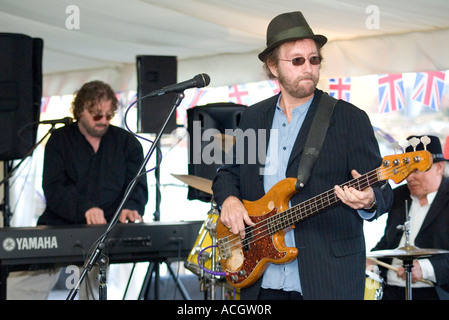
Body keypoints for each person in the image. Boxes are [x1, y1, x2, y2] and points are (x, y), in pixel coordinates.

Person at [212, 11, 393, 300]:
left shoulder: (349, 119)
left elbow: (383, 189)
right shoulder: (254, 116)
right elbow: (228, 174)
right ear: (273, 66)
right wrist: (230, 200)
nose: (308, 67)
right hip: (262, 281)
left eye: (314, 59)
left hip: (327, 279)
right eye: (297, 60)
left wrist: (370, 199)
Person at [7, 80, 148, 299]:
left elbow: (137, 184)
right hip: (58, 226)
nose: (103, 121)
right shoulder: (59, 140)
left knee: (94, 291)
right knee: (19, 289)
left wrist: (131, 207)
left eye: (109, 115)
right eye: (96, 114)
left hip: (104, 234)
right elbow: (53, 188)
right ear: (80, 109)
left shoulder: (127, 143)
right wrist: (85, 207)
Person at [368, 135, 449, 300]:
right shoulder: (398, 195)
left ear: (439, 167)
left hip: (433, 291)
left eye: (417, 169)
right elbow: (388, 242)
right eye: (407, 170)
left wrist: (425, 268)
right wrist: (371, 260)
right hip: (389, 289)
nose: (409, 177)